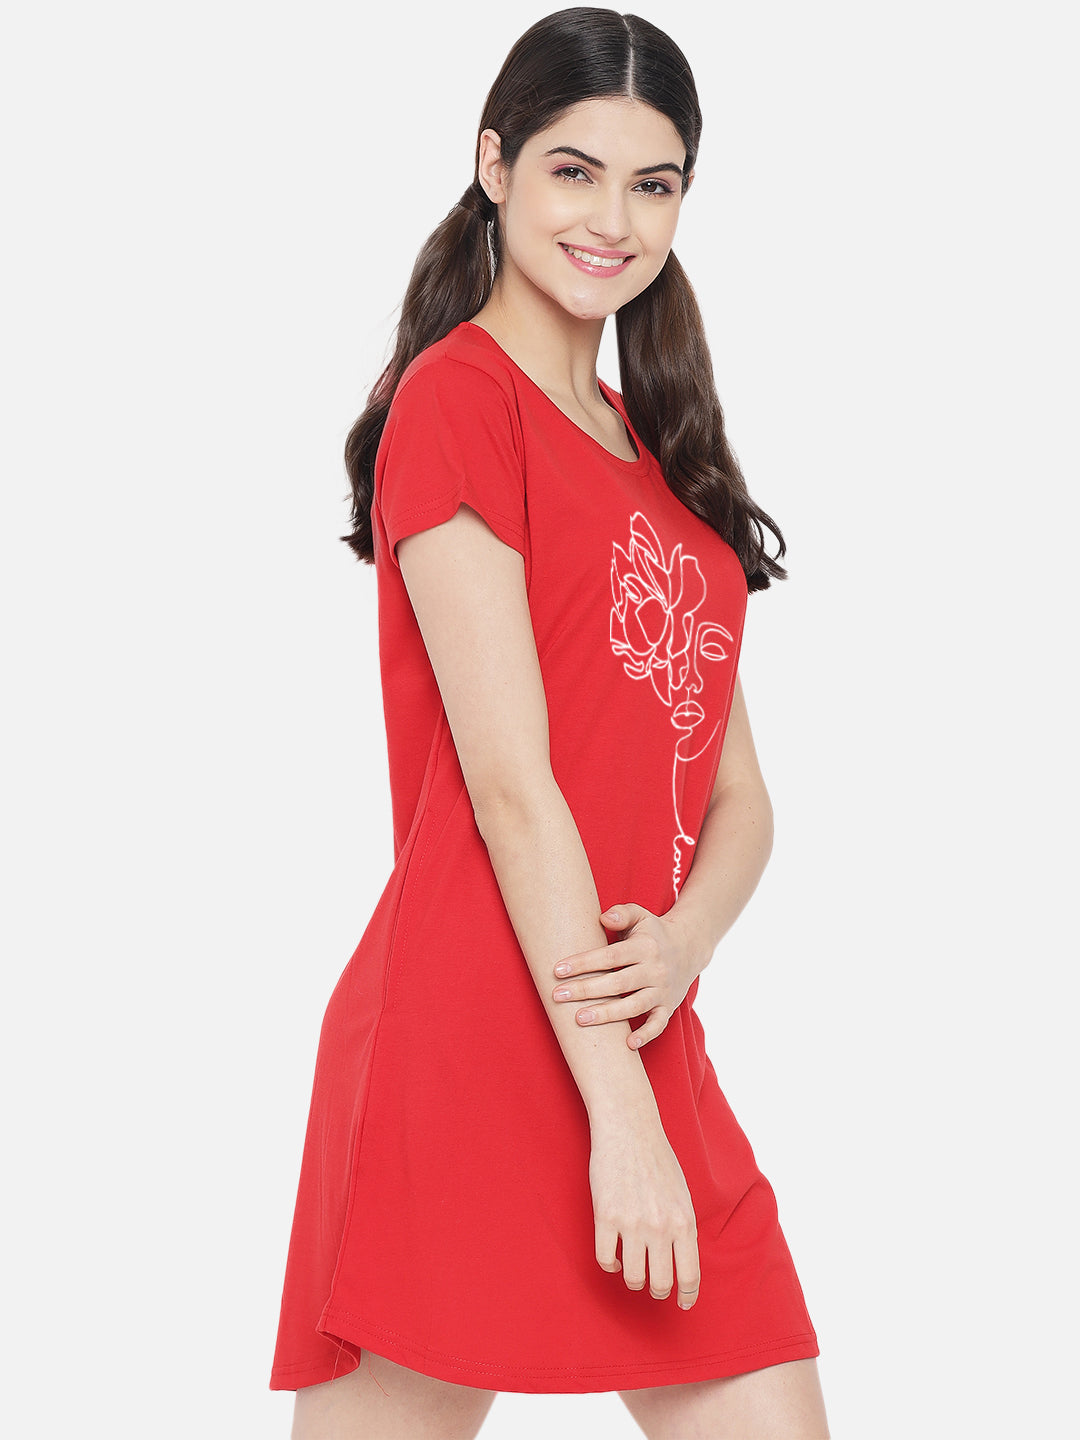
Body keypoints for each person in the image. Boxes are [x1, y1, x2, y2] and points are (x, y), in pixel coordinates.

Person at [270, 8, 831, 1437]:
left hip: (635, 1028)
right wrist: (618, 1114)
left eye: (655, 183)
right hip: (474, 1037)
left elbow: (741, 795)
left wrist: (682, 947)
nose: (613, 220)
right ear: (495, 165)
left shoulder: (661, 451)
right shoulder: (458, 402)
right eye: (575, 171)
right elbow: (514, 788)